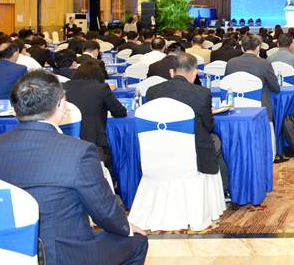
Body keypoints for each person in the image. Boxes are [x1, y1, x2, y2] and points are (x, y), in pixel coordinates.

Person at [0, 70, 148, 264]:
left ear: (14, 109)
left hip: (4, 252)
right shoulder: (79, 152)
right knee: (137, 241)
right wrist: (127, 228)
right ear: (60, 105)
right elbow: (104, 212)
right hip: (65, 254)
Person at [146, 53, 229, 195]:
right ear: (195, 73)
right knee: (216, 141)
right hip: (193, 147)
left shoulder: (152, 91)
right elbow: (208, 126)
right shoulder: (202, 93)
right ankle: (221, 191)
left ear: (171, 72)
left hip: (160, 145)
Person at [63, 62, 127, 168]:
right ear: (99, 75)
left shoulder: (62, 87)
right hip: (94, 143)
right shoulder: (101, 88)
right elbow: (120, 112)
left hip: (65, 141)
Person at [225, 35, 281, 125]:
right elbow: (276, 88)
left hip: (235, 108)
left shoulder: (230, 63)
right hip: (260, 109)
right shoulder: (264, 63)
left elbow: (226, 86)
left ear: (242, 48)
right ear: (258, 48)